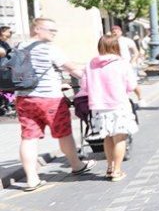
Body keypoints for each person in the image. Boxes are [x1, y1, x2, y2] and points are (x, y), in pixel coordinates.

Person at [15, 18, 93, 191]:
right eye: (50, 30)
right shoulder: (49, 49)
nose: (54, 33)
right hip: (50, 99)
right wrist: (92, 81)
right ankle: (76, 165)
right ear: (37, 29)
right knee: (63, 133)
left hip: (24, 99)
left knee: (28, 137)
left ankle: (32, 179)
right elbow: (72, 69)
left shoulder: (19, 47)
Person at [81, 35, 141, 181]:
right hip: (118, 104)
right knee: (120, 138)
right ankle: (117, 171)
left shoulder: (90, 64)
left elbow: (84, 87)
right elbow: (132, 85)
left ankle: (109, 168)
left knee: (107, 137)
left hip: (98, 107)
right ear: (116, 46)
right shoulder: (122, 63)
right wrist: (138, 95)